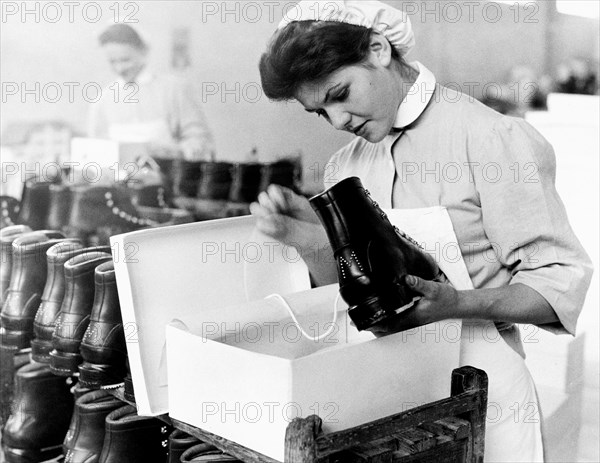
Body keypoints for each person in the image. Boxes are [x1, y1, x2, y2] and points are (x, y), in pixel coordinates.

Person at [250, 1, 593, 462]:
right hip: (382, 397)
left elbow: (558, 282)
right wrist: (304, 233)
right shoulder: (344, 167)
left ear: (377, 49)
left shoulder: (489, 138)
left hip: (481, 391)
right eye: (319, 113)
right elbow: (349, 293)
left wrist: (457, 305)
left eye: (339, 94)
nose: (337, 121)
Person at [88, 23, 215, 160]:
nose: (120, 69)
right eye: (112, 62)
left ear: (143, 52)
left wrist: (173, 152)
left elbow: (202, 142)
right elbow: (96, 150)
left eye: (126, 60)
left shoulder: (174, 89)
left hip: (170, 176)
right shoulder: (103, 99)